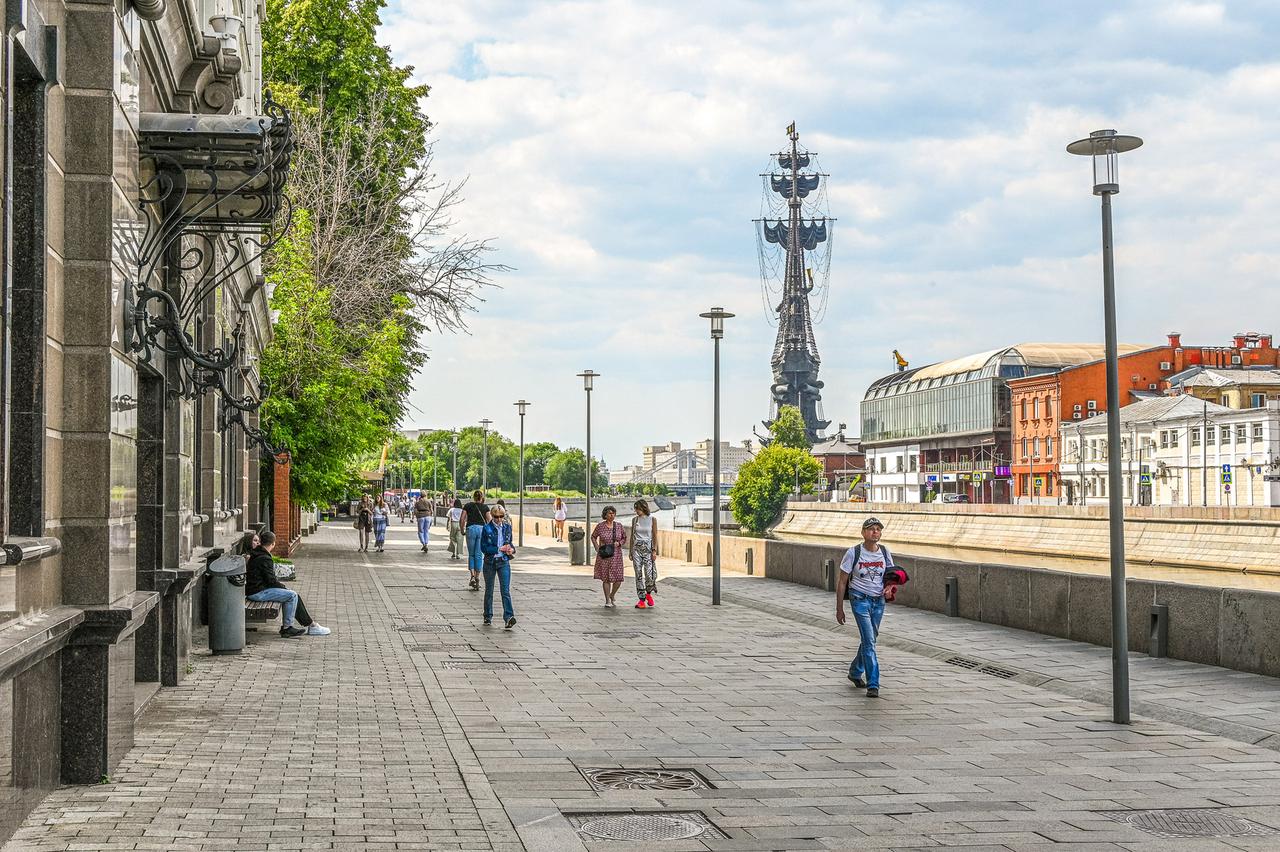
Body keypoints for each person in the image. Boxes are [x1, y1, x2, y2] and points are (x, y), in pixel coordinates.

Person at [835, 517, 895, 698]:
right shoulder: (853, 552)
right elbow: (842, 582)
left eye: (878, 529)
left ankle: (855, 672)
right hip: (859, 599)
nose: (874, 532)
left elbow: (892, 576)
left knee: (871, 638)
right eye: (870, 529)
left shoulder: (884, 552)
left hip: (878, 601)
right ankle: (873, 684)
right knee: (869, 641)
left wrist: (890, 587)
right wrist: (839, 608)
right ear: (863, 532)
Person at [244, 530, 331, 637]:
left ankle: (310, 625)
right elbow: (271, 581)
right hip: (257, 592)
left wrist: (283, 588)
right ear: (273, 543)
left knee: (293, 595)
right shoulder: (264, 557)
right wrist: (283, 587)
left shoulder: (258, 553)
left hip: (255, 589)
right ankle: (288, 628)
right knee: (292, 595)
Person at [480, 505, 517, 628]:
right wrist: (498, 549)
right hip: (490, 562)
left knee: (505, 590)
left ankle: (509, 617)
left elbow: (510, 543)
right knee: (489, 590)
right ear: (492, 515)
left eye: (501, 516)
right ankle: (488, 616)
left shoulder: (507, 528)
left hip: (504, 561)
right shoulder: (487, 529)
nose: (499, 520)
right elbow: (483, 547)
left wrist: (511, 549)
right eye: (496, 517)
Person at [591, 506, 626, 607]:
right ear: (605, 515)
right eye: (610, 513)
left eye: (613, 513)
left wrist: (619, 543)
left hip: (616, 556)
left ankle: (612, 595)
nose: (612, 515)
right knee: (606, 578)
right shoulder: (600, 526)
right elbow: (593, 536)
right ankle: (607, 600)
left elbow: (624, 538)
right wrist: (597, 547)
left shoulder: (619, 526)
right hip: (605, 555)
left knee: (618, 579)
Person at [628, 499, 658, 609]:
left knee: (649, 574)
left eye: (638, 508)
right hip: (636, 549)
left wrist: (654, 550)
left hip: (648, 549)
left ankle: (648, 594)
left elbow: (655, 536)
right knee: (638, 574)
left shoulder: (652, 520)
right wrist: (631, 551)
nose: (636, 511)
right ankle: (641, 599)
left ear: (644, 508)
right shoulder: (634, 520)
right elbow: (632, 536)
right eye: (635, 508)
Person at [461, 490, 489, 591]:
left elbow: (462, 518)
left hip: (470, 529)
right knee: (479, 555)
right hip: (481, 530)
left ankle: (472, 576)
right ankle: (478, 577)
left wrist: (462, 529)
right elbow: (489, 521)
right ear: (481, 498)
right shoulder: (485, 507)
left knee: (471, 554)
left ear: (474, 497)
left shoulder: (468, 506)